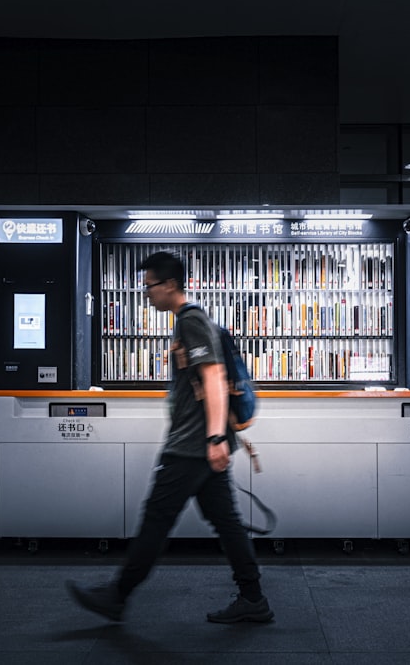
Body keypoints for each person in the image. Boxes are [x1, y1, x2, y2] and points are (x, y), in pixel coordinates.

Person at [66, 250, 273, 624]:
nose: (146, 294)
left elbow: (212, 378)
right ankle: (253, 597)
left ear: (170, 285)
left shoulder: (192, 322)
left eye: (150, 287)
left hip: (192, 447)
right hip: (201, 445)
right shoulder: (189, 322)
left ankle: (118, 595)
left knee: (157, 518)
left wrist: (213, 439)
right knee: (225, 522)